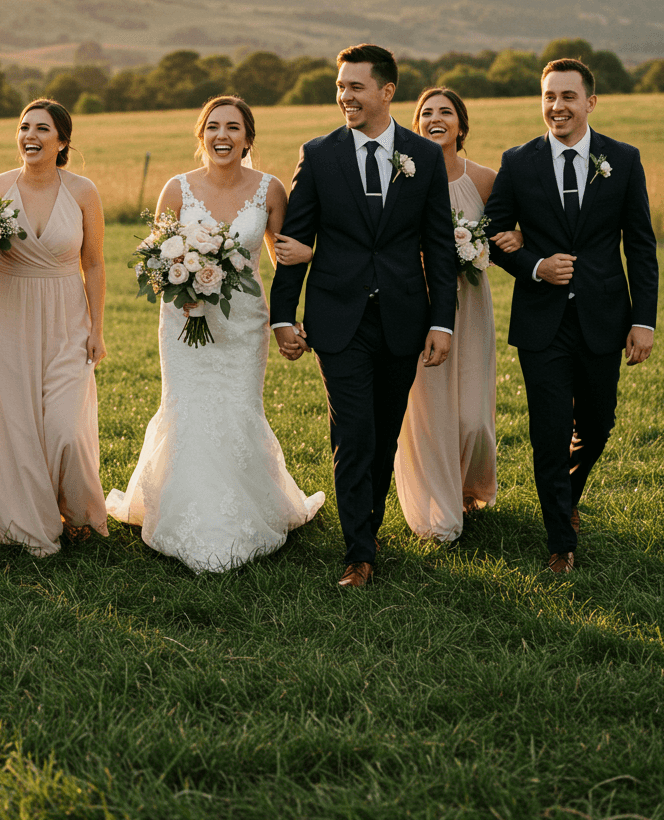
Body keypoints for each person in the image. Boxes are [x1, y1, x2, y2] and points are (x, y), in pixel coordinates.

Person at [107, 95, 325, 573]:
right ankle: (187, 516)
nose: (222, 135)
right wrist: (177, 289)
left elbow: (281, 260)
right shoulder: (176, 189)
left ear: (248, 138)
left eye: (233, 127)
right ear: (200, 135)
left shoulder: (269, 190)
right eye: (212, 127)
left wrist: (289, 308)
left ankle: (245, 512)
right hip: (185, 321)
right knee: (187, 411)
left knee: (237, 409)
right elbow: (155, 262)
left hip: (244, 323)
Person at [270, 44, 458, 589]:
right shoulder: (319, 154)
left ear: (386, 92)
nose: (344, 96)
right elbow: (294, 241)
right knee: (353, 432)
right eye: (340, 86)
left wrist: (441, 322)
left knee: (383, 433)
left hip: (404, 318)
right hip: (337, 319)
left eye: (355, 86)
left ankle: (368, 528)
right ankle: (359, 554)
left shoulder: (422, 157)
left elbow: (439, 248)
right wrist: (284, 315)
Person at [485, 57, 657, 574]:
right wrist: (534, 265)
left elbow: (642, 247)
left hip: (605, 316)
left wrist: (644, 321)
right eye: (549, 97)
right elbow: (491, 236)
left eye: (567, 97)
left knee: (599, 424)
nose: (556, 107)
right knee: (549, 431)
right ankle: (561, 540)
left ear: (590, 102)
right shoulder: (518, 162)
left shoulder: (622, 160)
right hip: (542, 323)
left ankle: (567, 494)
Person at [0, 99, 108, 557]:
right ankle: (29, 524)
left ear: (62, 141)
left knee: (66, 427)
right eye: (24, 127)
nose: (30, 135)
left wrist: (97, 329)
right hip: (7, 316)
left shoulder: (83, 191)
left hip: (67, 318)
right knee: (16, 426)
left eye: (42, 129)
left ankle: (79, 512)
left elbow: (96, 263)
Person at [393, 88, 523, 543]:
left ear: (461, 126)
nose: (435, 118)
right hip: (418, 307)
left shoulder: (485, 179)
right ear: (415, 126)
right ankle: (437, 509)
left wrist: (514, 245)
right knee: (428, 413)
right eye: (425, 113)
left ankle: (469, 484)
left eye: (445, 112)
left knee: (473, 419)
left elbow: (512, 233)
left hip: (470, 308)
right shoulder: (401, 179)